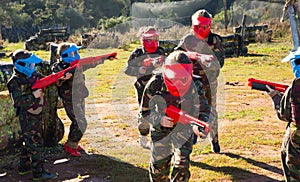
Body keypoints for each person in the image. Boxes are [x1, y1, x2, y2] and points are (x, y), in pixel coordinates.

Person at [139, 51, 210, 181]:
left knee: (181, 166)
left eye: (183, 79)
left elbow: (203, 110)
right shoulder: (156, 83)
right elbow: (145, 112)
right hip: (161, 129)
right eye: (174, 78)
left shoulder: (196, 85)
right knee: (159, 171)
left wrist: (198, 125)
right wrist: (160, 120)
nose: (178, 83)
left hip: (184, 128)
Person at [175, 9, 225, 153]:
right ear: (192, 26)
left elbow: (220, 62)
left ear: (209, 27)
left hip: (209, 83)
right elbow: (174, 54)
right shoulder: (187, 40)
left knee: (211, 111)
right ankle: (193, 135)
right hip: (190, 81)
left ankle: (214, 140)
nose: (200, 30)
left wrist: (206, 60)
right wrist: (190, 54)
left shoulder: (215, 40)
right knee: (190, 109)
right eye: (197, 27)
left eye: (203, 27)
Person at [7, 49, 58, 180]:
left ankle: (24, 167)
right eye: (30, 65)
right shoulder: (15, 82)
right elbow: (17, 102)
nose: (33, 67)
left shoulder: (34, 75)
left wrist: (59, 77)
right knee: (36, 143)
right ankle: (39, 173)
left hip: (37, 114)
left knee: (29, 141)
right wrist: (33, 96)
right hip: (27, 117)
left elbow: (47, 80)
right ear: (21, 65)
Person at [52, 42, 107, 157]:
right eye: (74, 53)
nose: (77, 54)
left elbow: (90, 63)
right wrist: (62, 77)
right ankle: (70, 145)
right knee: (81, 122)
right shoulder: (58, 67)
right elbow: (55, 77)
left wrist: (105, 58)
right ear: (66, 55)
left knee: (78, 122)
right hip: (70, 99)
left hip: (80, 96)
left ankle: (73, 143)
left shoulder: (78, 64)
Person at [124, 26, 165, 148]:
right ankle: (143, 137)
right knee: (145, 113)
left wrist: (159, 65)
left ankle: (157, 137)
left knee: (160, 111)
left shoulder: (161, 51)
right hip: (142, 87)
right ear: (144, 40)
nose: (153, 42)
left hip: (159, 87)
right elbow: (127, 69)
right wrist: (140, 69)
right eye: (149, 39)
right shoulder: (137, 53)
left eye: (155, 38)